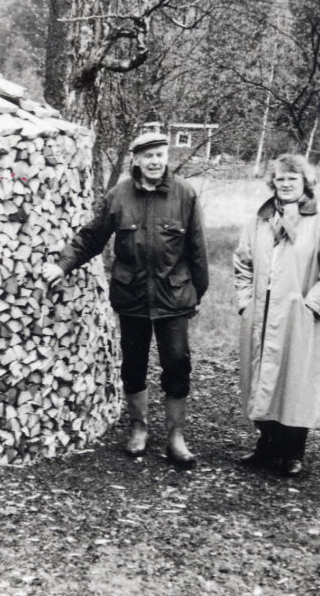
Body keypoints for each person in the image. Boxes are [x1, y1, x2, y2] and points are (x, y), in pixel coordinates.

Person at [42, 132, 209, 468]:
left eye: (160, 155)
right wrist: (63, 265)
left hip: (173, 298)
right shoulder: (119, 195)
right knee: (132, 363)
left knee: (177, 363)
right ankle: (139, 427)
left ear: (167, 156)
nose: (155, 162)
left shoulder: (185, 194)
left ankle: (176, 436)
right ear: (136, 159)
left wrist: (195, 294)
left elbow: (197, 250)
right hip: (131, 296)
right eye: (148, 156)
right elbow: (92, 236)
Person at [233, 154, 320, 477]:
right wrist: (246, 302)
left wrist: (310, 307)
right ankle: (267, 444)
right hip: (261, 316)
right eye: (280, 179)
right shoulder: (260, 219)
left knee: (296, 382)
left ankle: (292, 451)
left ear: (305, 183)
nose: (285, 184)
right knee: (261, 380)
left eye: (292, 179)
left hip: (300, 318)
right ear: (272, 183)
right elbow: (242, 263)